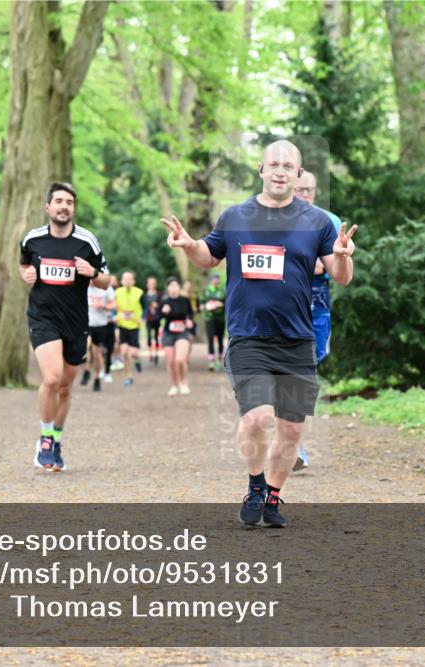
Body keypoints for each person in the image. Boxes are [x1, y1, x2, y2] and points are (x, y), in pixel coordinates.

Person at [161, 140, 357, 528]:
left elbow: (340, 277)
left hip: (297, 339)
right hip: (249, 338)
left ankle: (272, 497)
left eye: (289, 166)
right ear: (261, 170)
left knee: (292, 428)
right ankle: (255, 485)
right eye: (274, 165)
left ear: (298, 174)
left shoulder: (316, 221)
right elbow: (209, 256)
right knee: (257, 419)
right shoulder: (235, 216)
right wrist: (188, 246)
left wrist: (343, 257)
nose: (281, 171)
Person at [20, 182, 110, 471]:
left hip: (75, 321)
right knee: (51, 378)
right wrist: (26, 274)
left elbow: (107, 280)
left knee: (66, 386)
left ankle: (57, 439)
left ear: (73, 208)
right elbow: (24, 266)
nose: (63, 206)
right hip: (43, 317)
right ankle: (45, 439)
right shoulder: (32, 240)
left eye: (69, 202)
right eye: (58, 201)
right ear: (48, 207)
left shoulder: (87, 241)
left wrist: (93, 273)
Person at [292, 169, 343, 471]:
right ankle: (294, 446)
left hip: (318, 307)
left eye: (309, 190)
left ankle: (292, 439)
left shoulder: (329, 221)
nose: (305, 196)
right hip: (284, 305)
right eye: (299, 190)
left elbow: (331, 268)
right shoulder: (273, 220)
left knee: (306, 372)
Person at [160, 276, 194, 396]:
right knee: (171, 362)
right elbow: (157, 318)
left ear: (179, 287)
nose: (174, 288)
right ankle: (174, 385)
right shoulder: (164, 301)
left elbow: (190, 314)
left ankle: (183, 382)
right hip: (168, 333)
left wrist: (189, 320)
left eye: (176, 285)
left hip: (182, 332)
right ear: (168, 288)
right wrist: (163, 312)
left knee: (180, 359)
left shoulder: (185, 300)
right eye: (171, 286)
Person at [82, 280, 115, 392]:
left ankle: (96, 378)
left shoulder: (107, 288)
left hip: (101, 325)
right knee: (86, 346)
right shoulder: (83, 286)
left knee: (97, 354)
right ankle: (86, 370)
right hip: (86, 324)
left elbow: (114, 305)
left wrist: (103, 305)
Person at [114, 271, 143, 387]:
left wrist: (142, 317)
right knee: (124, 352)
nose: (127, 281)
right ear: (121, 281)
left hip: (134, 326)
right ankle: (128, 376)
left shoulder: (139, 293)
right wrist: (114, 315)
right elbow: (113, 306)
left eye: (129, 279)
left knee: (134, 353)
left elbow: (146, 308)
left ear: (133, 281)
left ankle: (137, 360)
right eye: (125, 279)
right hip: (122, 325)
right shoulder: (117, 292)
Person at [201, 272, 226, 372]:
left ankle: (220, 360)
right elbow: (202, 302)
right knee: (210, 338)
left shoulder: (222, 291)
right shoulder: (206, 291)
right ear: (211, 280)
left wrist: (220, 304)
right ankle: (211, 361)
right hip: (209, 318)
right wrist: (204, 306)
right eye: (215, 278)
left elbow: (227, 303)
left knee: (220, 339)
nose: (216, 280)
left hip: (220, 319)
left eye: (218, 278)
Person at [141, 276, 163, 366]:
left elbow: (162, 305)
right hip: (149, 318)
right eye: (150, 283)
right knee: (149, 336)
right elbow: (143, 306)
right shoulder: (144, 295)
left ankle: (156, 353)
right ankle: (150, 353)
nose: (151, 285)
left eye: (153, 283)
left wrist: (157, 306)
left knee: (156, 336)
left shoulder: (159, 295)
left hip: (157, 318)